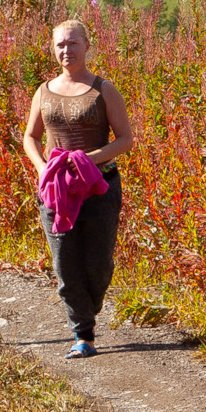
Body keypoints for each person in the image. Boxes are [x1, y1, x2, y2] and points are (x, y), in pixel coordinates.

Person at [22, 18, 134, 358]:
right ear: (53, 50)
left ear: (87, 46)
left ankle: (90, 308)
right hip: (56, 191)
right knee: (65, 265)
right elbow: (30, 136)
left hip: (99, 188)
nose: (66, 50)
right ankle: (82, 334)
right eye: (60, 45)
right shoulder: (43, 91)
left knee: (98, 266)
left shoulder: (104, 89)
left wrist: (87, 160)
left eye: (73, 43)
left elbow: (126, 139)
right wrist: (43, 168)